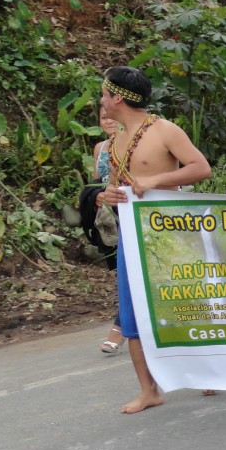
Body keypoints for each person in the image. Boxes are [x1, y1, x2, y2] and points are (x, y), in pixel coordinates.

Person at [98, 66, 213, 414]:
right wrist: (107, 195)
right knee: (132, 312)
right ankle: (149, 389)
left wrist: (156, 180)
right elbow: (115, 184)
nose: (101, 100)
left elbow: (200, 167)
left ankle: (209, 371)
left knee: (186, 303)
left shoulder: (165, 130)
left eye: (104, 93)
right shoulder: (116, 139)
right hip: (133, 237)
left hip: (171, 233)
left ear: (117, 97)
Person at [91, 107, 124, 354]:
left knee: (129, 274)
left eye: (112, 115)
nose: (109, 120)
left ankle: (119, 328)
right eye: (103, 117)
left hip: (132, 211)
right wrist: (96, 196)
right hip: (111, 218)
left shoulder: (132, 143)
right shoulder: (100, 149)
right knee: (122, 274)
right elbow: (95, 182)